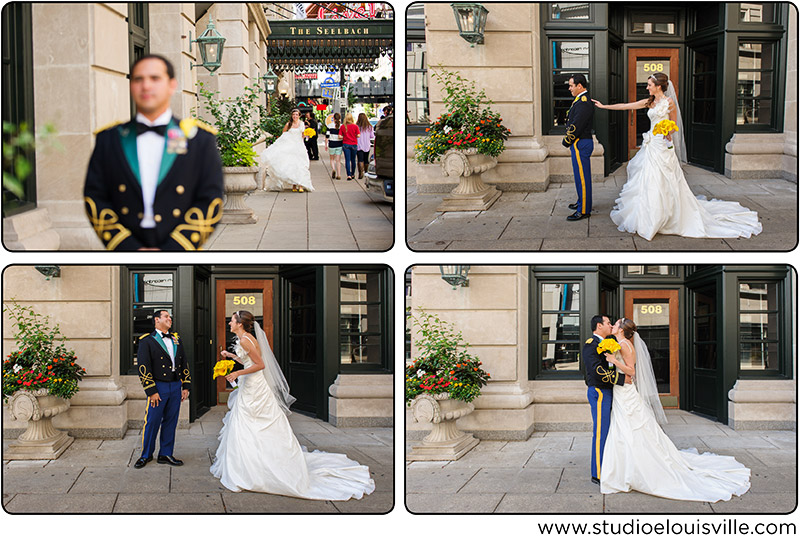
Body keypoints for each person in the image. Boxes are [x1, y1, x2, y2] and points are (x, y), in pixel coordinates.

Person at [210, 310, 375, 500]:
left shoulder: (247, 340)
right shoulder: (245, 339)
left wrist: (238, 374)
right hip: (250, 386)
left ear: (239, 323)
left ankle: (255, 470)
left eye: (231, 320)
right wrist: (232, 356)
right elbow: (249, 361)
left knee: (251, 423)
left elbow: (260, 364)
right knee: (245, 424)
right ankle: (249, 465)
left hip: (255, 389)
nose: (229, 323)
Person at [593, 72, 762, 240]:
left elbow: (674, 125)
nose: (647, 87)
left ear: (658, 86)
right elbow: (626, 105)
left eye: (649, 85)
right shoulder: (649, 102)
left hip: (663, 147)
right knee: (647, 178)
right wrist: (604, 106)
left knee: (665, 179)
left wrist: (668, 131)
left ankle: (667, 216)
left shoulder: (669, 102)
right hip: (651, 145)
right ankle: (648, 215)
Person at [600, 318, 751, 502]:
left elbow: (631, 372)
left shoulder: (624, 345)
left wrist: (613, 360)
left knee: (628, 427)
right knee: (626, 428)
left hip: (625, 393)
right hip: (622, 391)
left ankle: (632, 470)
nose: (613, 326)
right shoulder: (622, 343)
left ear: (622, 330)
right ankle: (626, 468)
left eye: (616, 324)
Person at [84, 54, 224, 251]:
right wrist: (127, 247)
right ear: (131, 85)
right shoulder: (109, 139)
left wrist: (175, 249)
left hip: (181, 250)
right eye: (138, 79)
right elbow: (95, 197)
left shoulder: (199, 140)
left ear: (172, 85)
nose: (146, 86)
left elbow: (211, 199)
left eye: (155, 78)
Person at [134, 310, 191, 469]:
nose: (169, 319)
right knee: (152, 421)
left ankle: (165, 453)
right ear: (157, 320)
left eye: (170, 317)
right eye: (166, 316)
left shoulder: (176, 339)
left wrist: (185, 385)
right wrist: (151, 391)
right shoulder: (147, 340)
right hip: (158, 386)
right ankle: (146, 455)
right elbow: (143, 366)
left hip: (175, 386)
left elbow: (183, 361)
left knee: (171, 421)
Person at [583, 314, 629, 485]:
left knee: (610, 431)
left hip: (609, 391)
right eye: (608, 323)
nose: (610, 326)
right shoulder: (591, 345)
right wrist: (622, 380)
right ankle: (598, 473)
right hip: (600, 391)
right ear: (599, 326)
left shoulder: (608, 343)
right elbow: (597, 371)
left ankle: (609, 467)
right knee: (601, 432)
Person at [562, 74, 595, 221]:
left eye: (571, 85)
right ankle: (581, 201)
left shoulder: (583, 102)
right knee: (579, 176)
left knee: (582, 178)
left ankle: (583, 210)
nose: (569, 88)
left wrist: (566, 141)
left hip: (580, 143)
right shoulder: (580, 100)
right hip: (579, 143)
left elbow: (576, 125)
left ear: (579, 86)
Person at [261, 108, 314, 192]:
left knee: (300, 165)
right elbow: (283, 135)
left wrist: (308, 134)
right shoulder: (288, 124)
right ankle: (294, 185)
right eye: (293, 114)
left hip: (299, 146)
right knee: (292, 165)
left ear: (299, 115)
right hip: (290, 146)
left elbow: (302, 135)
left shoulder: (302, 124)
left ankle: (300, 185)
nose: (295, 116)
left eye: (296, 114)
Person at [340, 113, 361, 181]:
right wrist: (354, 136)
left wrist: (345, 137)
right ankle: (353, 174)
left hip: (346, 144)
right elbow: (358, 135)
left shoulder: (343, 126)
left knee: (347, 160)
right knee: (353, 160)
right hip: (354, 144)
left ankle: (348, 174)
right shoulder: (355, 126)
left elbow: (340, 136)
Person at [355, 113, 374, 179]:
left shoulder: (356, 126)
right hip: (367, 145)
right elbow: (372, 136)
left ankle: (360, 172)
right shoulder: (369, 127)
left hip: (359, 145)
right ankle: (366, 172)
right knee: (366, 159)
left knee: (360, 159)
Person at [325, 113, 343, 180]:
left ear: (333, 118)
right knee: (338, 160)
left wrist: (326, 145)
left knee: (332, 159)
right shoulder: (341, 126)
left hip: (332, 144)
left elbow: (327, 136)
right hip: (339, 144)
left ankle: (333, 169)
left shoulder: (329, 125)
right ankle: (339, 174)